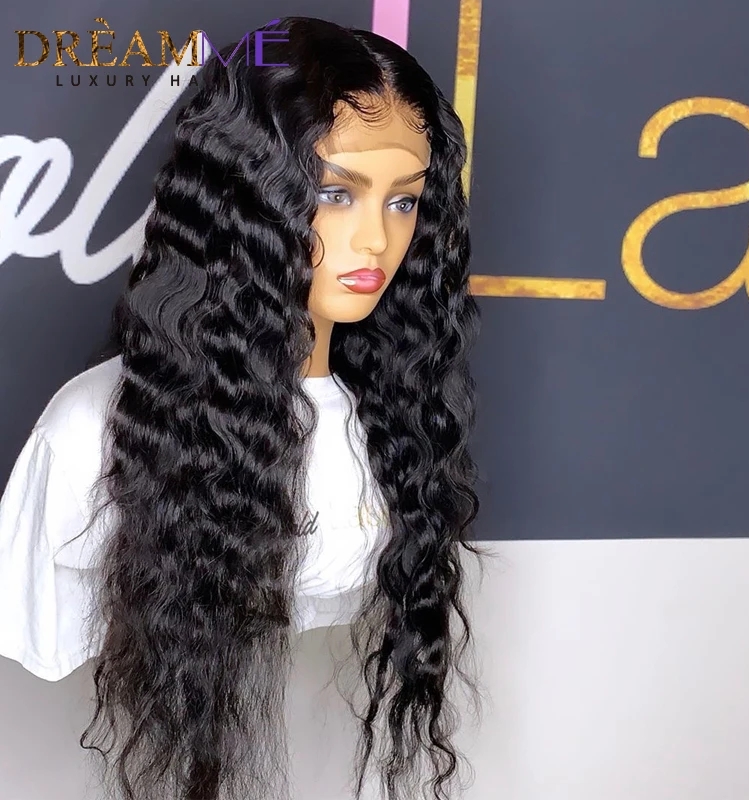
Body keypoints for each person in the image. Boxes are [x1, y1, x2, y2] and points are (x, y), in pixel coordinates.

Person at [0, 16, 485, 800]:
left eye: (404, 201)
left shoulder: (397, 416)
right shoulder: (91, 432)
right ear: (249, 197)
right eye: (335, 193)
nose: (375, 240)